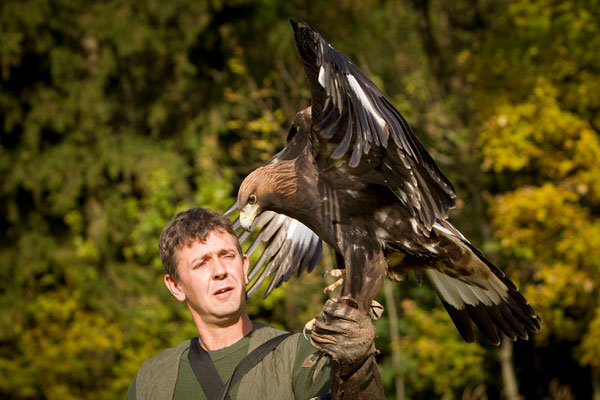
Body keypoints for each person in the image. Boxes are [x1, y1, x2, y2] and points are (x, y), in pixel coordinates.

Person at [126, 207, 384, 399]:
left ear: (245, 267)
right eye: (201, 263)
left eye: (227, 256)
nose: (219, 271)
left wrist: (357, 370)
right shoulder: (152, 380)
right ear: (175, 286)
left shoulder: (300, 356)